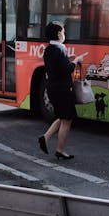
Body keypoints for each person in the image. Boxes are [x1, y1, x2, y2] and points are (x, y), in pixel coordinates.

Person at [38, 21, 83, 160]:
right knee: (67, 119)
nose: (64, 34)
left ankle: (45, 138)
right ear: (58, 34)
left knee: (62, 117)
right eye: (63, 32)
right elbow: (67, 69)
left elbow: (57, 65)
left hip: (52, 88)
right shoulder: (60, 49)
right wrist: (76, 61)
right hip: (62, 89)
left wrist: (68, 60)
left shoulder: (49, 49)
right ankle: (60, 150)